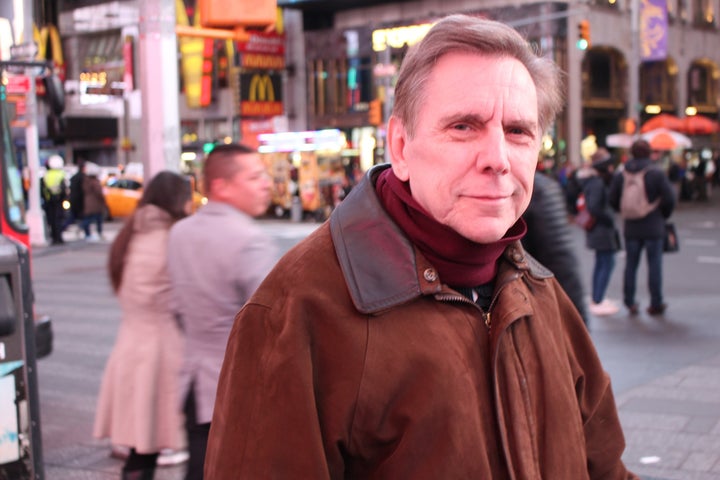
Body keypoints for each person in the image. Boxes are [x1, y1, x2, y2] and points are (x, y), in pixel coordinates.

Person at [205, 15, 636, 479]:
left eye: (517, 131)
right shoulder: (296, 312)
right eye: (464, 127)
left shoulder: (541, 292)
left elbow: (606, 468)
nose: (497, 158)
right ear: (401, 146)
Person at [167, 143, 276, 480]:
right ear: (221, 186)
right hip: (239, 389)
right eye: (254, 176)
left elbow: (175, 307)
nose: (267, 183)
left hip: (194, 381)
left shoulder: (180, 233)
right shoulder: (249, 240)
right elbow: (272, 323)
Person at [94, 171, 194, 480]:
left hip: (129, 348)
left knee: (143, 448)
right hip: (165, 353)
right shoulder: (172, 239)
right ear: (178, 201)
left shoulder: (129, 236)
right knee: (196, 436)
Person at [609, 139, 675, 316]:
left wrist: (625, 211)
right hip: (654, 225)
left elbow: (613, 199)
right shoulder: (655, 172)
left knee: (631, 265)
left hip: (631, 226)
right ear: (649, 152)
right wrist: (663, 214)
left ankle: (629, 302)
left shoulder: (622, 173)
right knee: (654, 266)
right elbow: (669, 198)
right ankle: (656, 303)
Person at [522, 169, 589, 325]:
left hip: (527, 308)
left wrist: (577, 324)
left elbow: (561, 261)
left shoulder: (539, 189)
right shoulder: (541, 187)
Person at [578, 148, 622, 316]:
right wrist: (609, 218)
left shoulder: (592, 180)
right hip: (601, 229)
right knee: (606, 262)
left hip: (597, 228)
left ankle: (597, 297)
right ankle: (598, 299)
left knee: (602, 262)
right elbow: (595, 207)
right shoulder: (597, 182)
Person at [40, 154, 67, 245]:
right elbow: (64, 189)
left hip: (49, 201)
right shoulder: (61, 174)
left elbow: (43, 189)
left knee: (51, 220)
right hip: (59, 201)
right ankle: (59, 238)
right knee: (59, 219)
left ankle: (54, 237)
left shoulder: (46, 175)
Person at [81, 162, 107, 241]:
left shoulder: (85, 181)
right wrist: (103, 200)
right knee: (98, 219)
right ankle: (99, 233)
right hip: (96, 204)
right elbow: (99, 192)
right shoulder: (95, 182)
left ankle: (87, 233)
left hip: (88, 203)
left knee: (88, 219)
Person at [63, 159, 86, 235]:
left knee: (72, 217)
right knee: (82, 218)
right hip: (79, 200)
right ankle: (84, 231)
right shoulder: (83, 177)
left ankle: (62, 228)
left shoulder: (74, 177)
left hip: (73, 199)